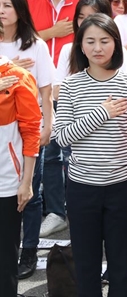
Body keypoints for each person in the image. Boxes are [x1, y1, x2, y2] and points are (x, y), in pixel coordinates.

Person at [52, 14, 127, 297]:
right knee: (86, 264)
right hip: (82, 188)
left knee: (121, 265)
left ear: (116, 44)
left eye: (105, 40)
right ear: (81, 47)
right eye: (90, 41)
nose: (98, 47)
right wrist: (102, 113)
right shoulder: (71, 86)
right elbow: (63, 137)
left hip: (123, 187)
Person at [0, 0, 55, 280]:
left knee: (29, 193)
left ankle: (29, 248)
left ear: (20, 10)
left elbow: (46, 89)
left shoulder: (34, 44)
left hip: (26, 127)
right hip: (3, 124)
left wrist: (48, 122)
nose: (1, 11)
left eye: (7, 6)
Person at [0, 20, 41, 297]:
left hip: (6, 182)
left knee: (5, 258)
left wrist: (26, 181)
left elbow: (31, 131)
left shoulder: (17, 77)